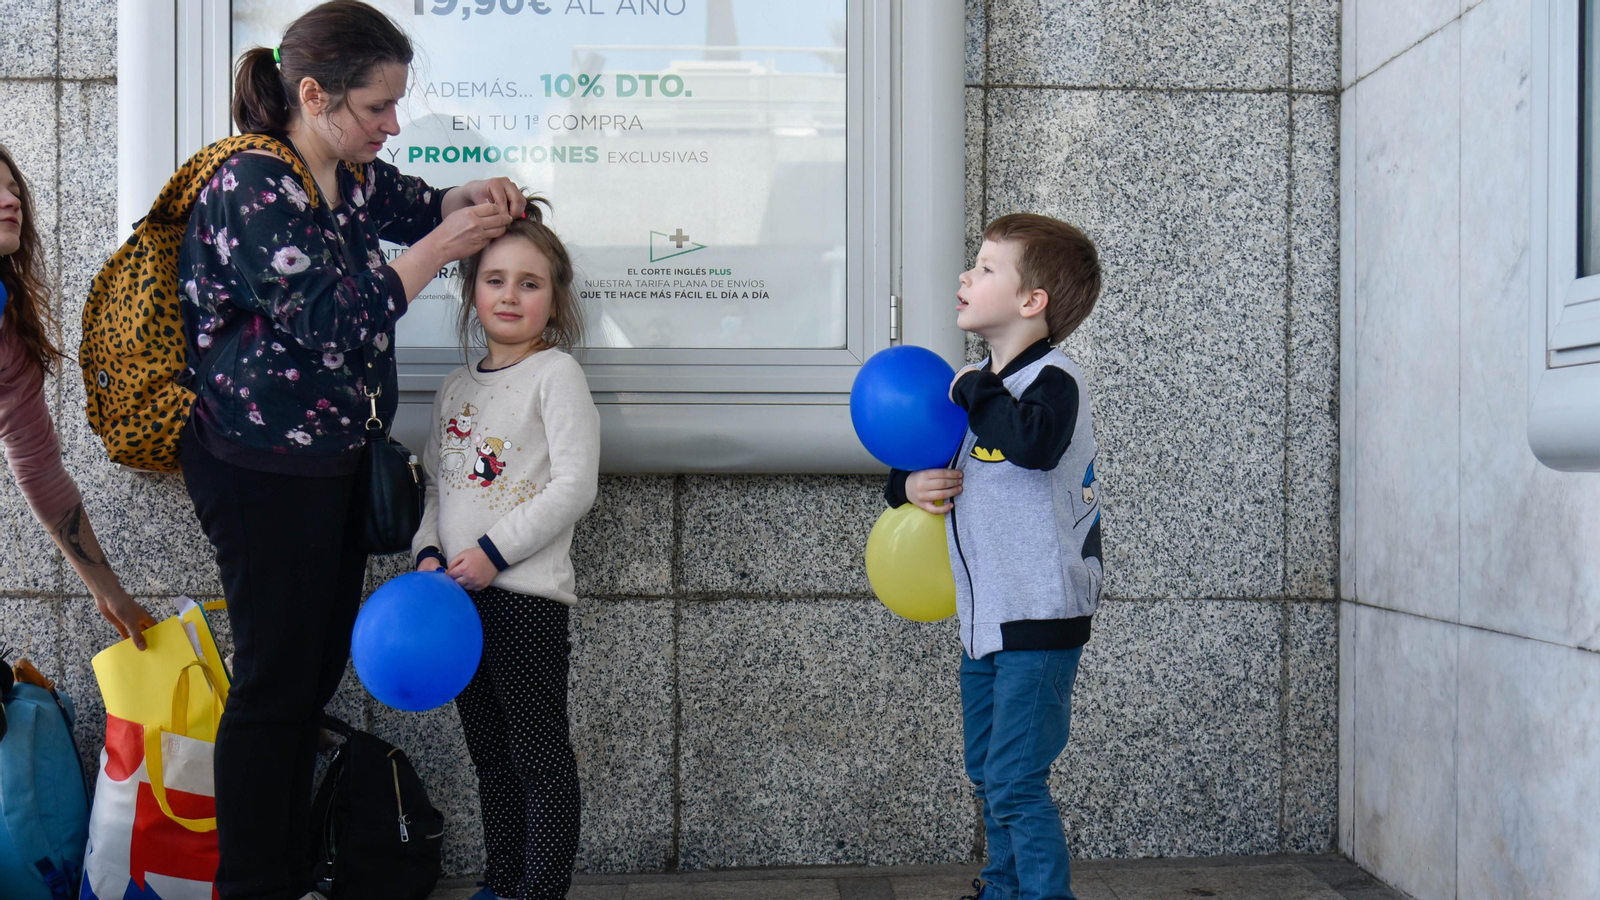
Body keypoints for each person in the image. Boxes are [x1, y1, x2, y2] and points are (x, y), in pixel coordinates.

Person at [174, 3, 528, 898]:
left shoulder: (347, 174)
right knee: (272, 682)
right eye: (378, 107)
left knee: (308, 674)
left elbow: (419, 203)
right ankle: (252, 883)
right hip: (259, 469)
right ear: (313, 95)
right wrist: (445, 248)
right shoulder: (256, 184)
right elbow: (334, 319)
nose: (393, 124)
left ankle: (288, 869)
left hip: (326, 464)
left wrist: (471, 202)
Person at [885, 213, 1104, 900]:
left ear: (1030, 302)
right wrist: (909, 485)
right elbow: (929, 463)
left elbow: (1032, 445)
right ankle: (1002, 889)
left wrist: (975, 389)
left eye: (984, 268)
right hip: (984, 622)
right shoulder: (973, 383)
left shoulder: (1052, 381)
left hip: (1039, 614)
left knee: (1016, 780)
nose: (965, 276)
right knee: (987, 773)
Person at [412, 198, 599, 900]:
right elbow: (436, 487)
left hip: (525, 600)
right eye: (495, 279)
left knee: (539, 758)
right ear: (471, 292)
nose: (510, 295)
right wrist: (429, 554)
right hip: (456, 607)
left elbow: (575, 486)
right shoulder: (455, 388)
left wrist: (492, 551)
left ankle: (539, 890)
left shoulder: (557, 377)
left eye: (530, 282)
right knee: (491, 759)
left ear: (554, 301)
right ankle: (501, 881)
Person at [0, 145, 157, 650]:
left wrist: (108, 592)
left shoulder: (10, 332)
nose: (12, 201)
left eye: (12, 188)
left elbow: (39, 470)